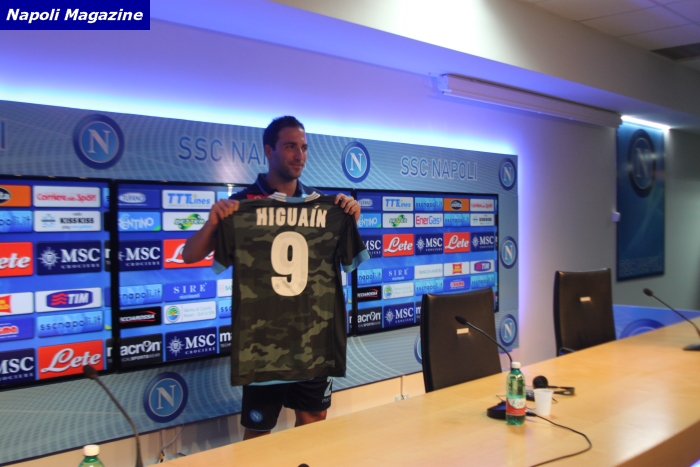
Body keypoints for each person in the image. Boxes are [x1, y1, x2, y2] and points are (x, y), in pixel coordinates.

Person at [182, 116, 361, 440]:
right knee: (257, 436)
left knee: (312, 428)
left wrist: (349, 217)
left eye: (303, 147)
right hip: (262, 347)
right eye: (290, 146)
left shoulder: (326, 207)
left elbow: (351, 261)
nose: (299, 155)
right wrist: (212, 223)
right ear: (269, 150)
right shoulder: (241, 206)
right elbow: (189, 255)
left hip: (313, 344)